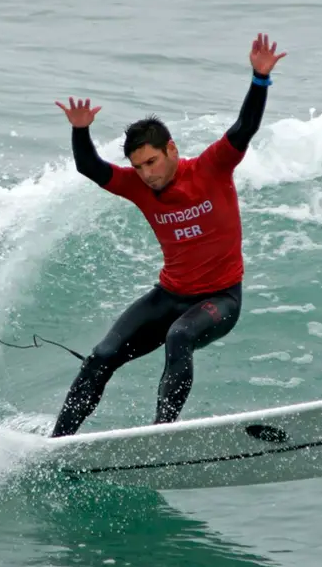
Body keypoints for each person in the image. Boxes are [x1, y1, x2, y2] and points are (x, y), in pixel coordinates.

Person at [49, 33, 286, 438]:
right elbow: (90, 167)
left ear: (171, 150)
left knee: (180, 337)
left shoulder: (212, 167)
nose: (147, 173)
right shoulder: (138, 186)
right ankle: (57, 444)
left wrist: (259, 78)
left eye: (152, 161)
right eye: (139, 166)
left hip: (220, 299)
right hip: (168, 295)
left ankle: (162, 437)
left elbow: (244, 127)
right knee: (101, 356)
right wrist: (80, 131)